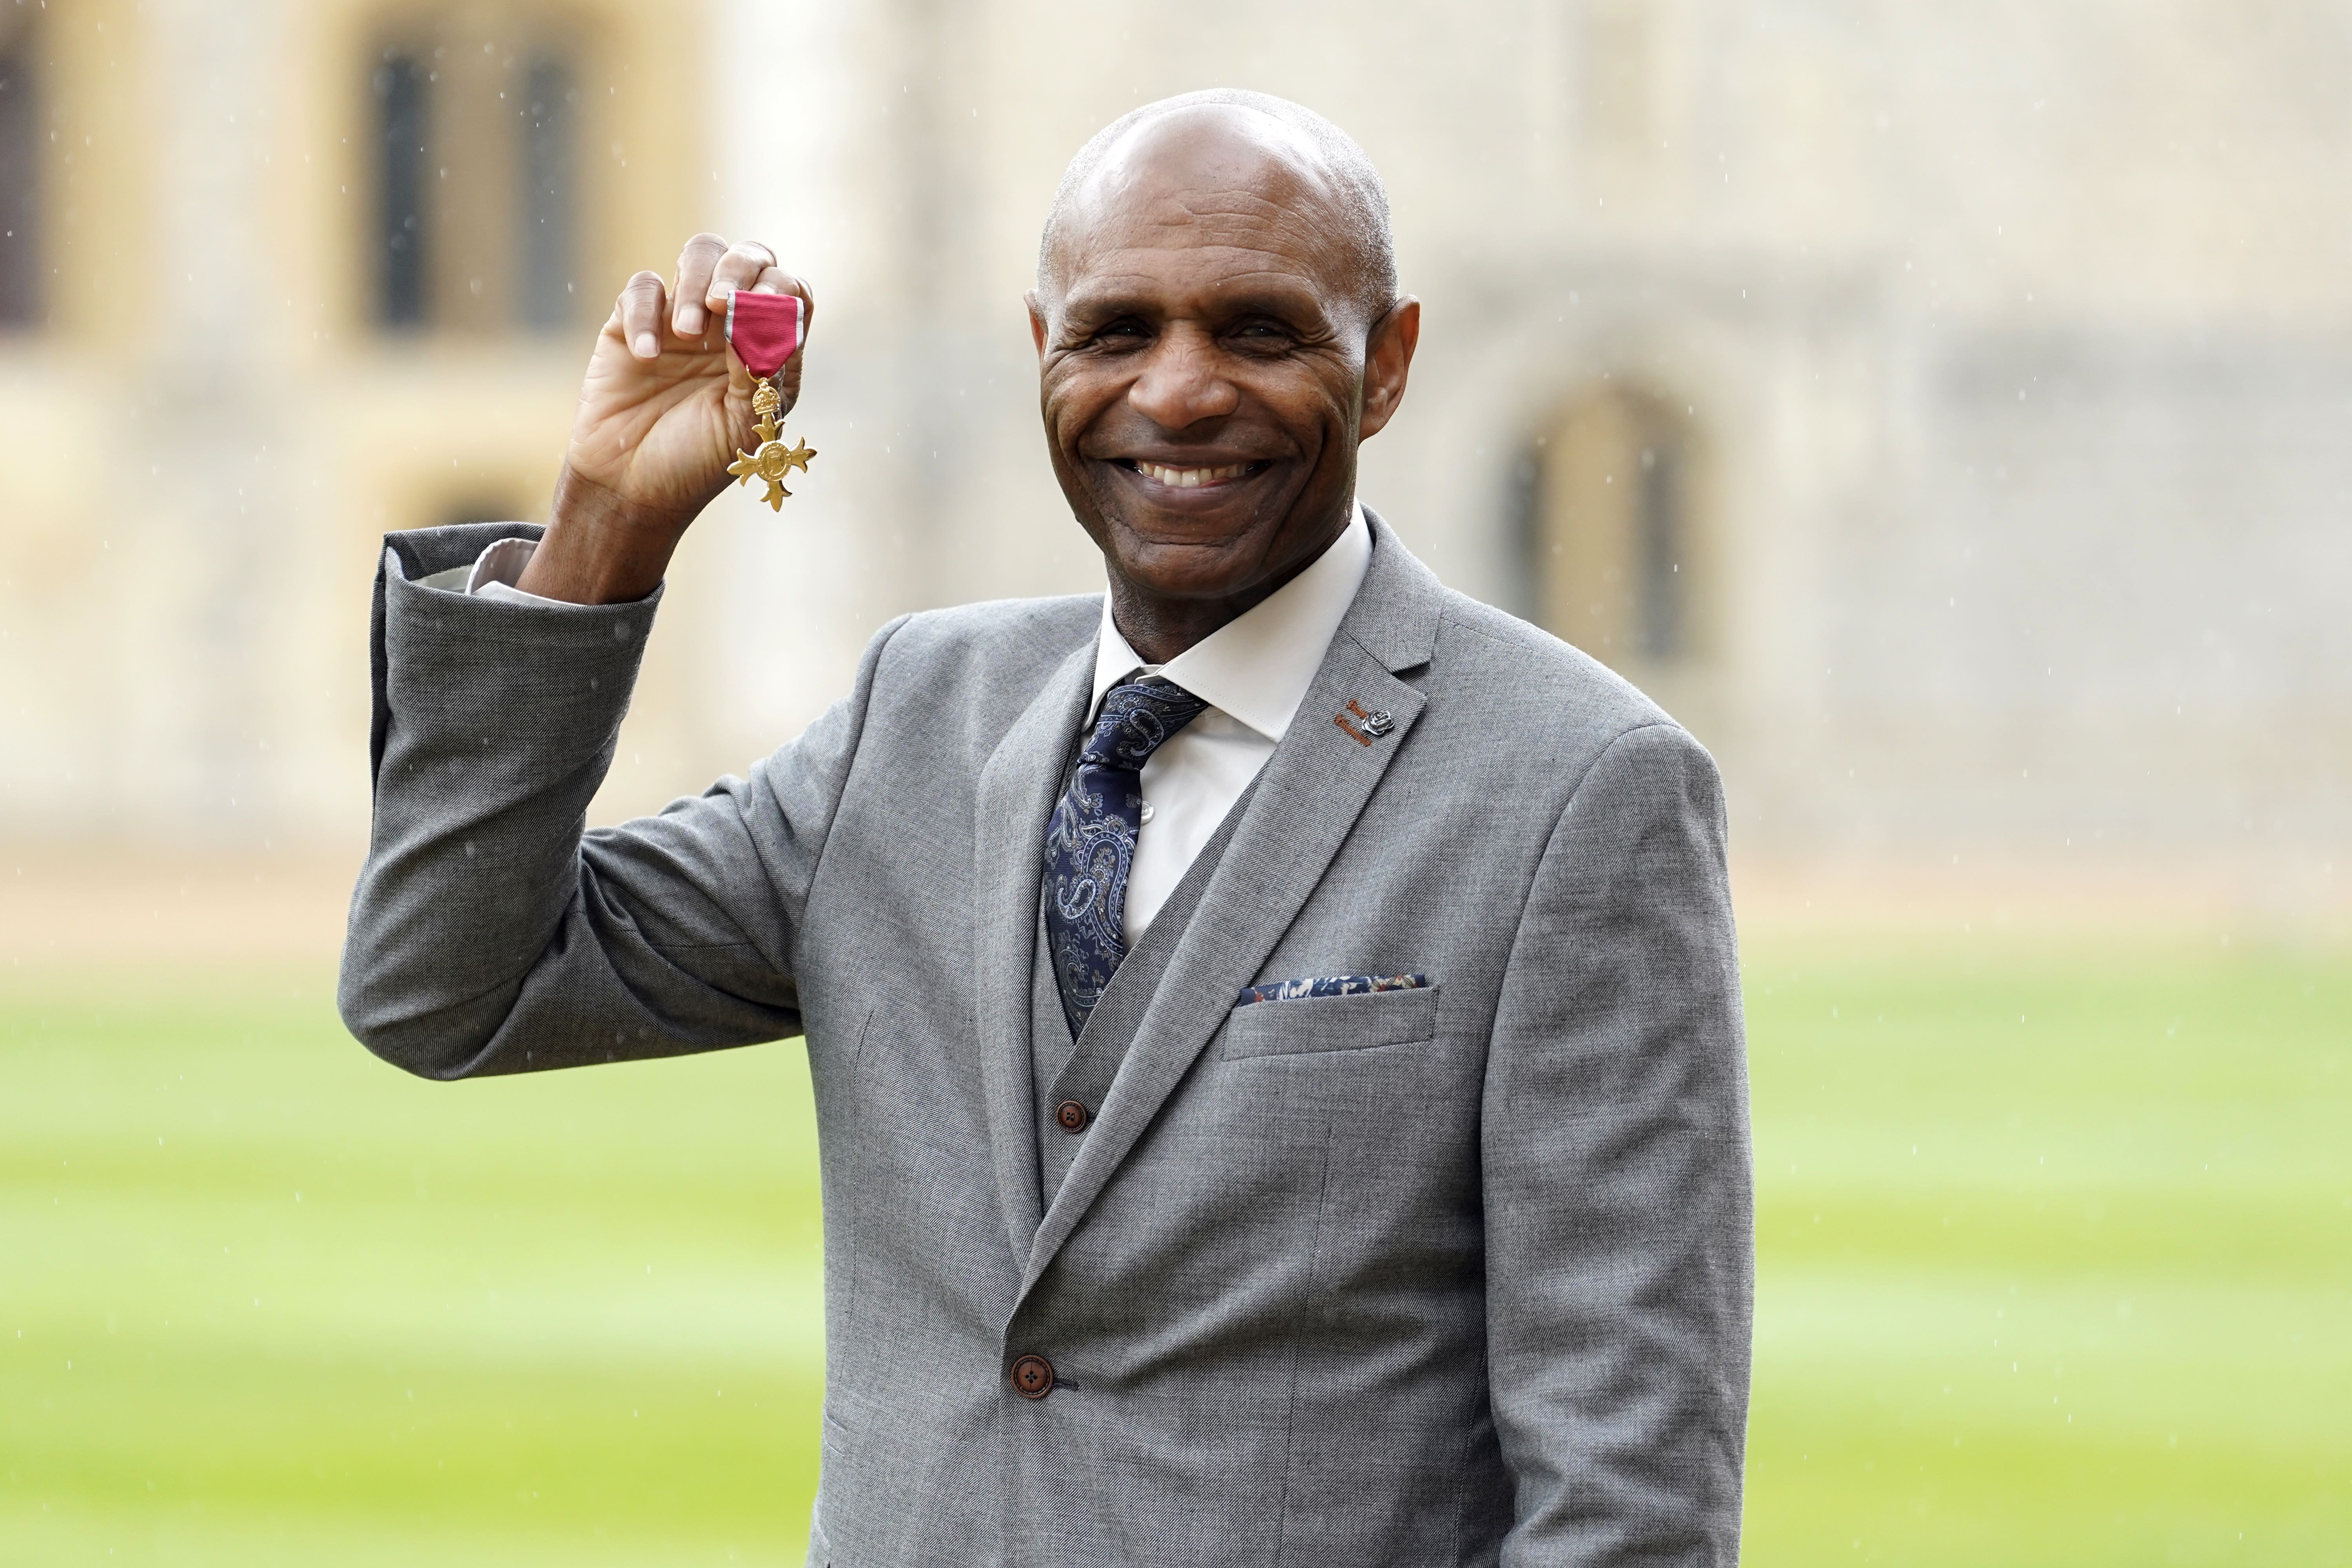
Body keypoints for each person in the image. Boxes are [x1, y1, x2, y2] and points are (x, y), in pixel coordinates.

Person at [341, 89, 1752, 1566]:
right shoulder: (916, 715)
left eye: (1261, 331)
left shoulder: (1582, 788)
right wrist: (600, 535)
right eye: (1118, 331)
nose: (1182, 391)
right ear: (1042, 354)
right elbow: (448, 987)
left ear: (1387, 362)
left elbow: (1629, 1494)